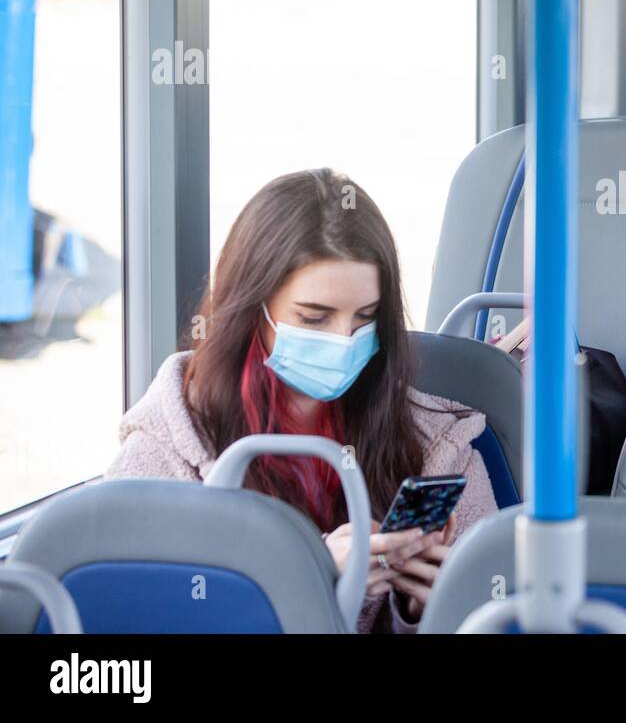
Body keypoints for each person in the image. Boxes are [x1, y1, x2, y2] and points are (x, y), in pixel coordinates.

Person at [105, 169, 497, 631]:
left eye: (365, 317)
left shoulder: (437, 445)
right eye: (314, 318)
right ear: (254, 308)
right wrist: (304, 574)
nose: (344, 340)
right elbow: (128, 617)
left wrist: (425, 610)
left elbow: (499, 605)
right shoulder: (167, 445)